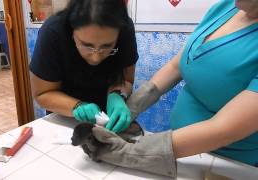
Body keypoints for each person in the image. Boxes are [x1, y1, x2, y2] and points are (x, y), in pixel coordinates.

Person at [83, 0, 258, 177]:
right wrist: (132, 107)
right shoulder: (226, 7)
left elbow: (223, 129)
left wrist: (128, 152)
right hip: (184, 148)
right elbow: (178, 65)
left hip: (226, 163)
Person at [30, 0, 138, 133]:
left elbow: (126, 80)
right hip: (65, 116)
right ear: (71, 30)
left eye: (107, 46)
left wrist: (117, 95)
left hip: (108, 116)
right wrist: (77, 106)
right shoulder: (53, 32)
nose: (96, 58)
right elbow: (43, 93)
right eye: (87, 45)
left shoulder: (125, 29)